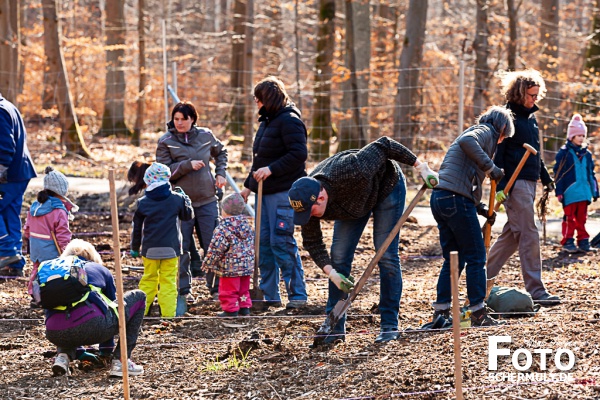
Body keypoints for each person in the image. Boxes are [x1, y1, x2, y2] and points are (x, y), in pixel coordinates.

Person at [288, 136, 439, 344]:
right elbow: (313, 242)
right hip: (353, 206)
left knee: (386, 255)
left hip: (387, 188)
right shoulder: (307, 201)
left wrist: (421, 168)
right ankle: (334, 327)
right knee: (339, 258)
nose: (308, 217)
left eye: (310, 211)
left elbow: (384, 144)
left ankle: (389, 325)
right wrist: (332, 274)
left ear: (321, 197)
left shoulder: (351, 169)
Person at [430, 106, 514, 328]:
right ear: (503, 127)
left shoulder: (482, 133)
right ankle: (477, 313)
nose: (502, 141)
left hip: (441, 198)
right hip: (456, 200)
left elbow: (465, 176)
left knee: (453, 259)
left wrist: (481, 207)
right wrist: (491, 167)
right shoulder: (485, 131)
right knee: (477, 256)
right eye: (504, 136)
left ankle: (441, 313)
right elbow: (467, 142)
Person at [486, 69, 560, 306]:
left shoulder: (531, 118)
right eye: (531, 95)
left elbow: (535, 155)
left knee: (512, 235)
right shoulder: (507, 118)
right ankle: (537, 290)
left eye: (537, 94)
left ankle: (480, 279)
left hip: (529, 181)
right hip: (513, 184)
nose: (534, 99)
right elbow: (499, 153)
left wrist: (546, 178)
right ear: (519, 94)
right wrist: (501, 184)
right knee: (529, 234)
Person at [240, 76, 308, 310]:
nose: (256, 104)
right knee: (264, 245)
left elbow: (298, 154)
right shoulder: (267, 121)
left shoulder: (290, 121)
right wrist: (248, 185)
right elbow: (261, 158)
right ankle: (270, 295)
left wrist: (272, 169)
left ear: (267, 99)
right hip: (263, 192)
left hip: (283, 192)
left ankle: (297, 295)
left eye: (258, 100)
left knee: (281, 243)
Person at [156, 101, 228, 301]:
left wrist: (220, 174)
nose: (179, 123)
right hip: (180, 203)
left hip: (207, 200)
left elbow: (221, 153)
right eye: (176, 119)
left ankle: (216, 290)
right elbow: (164, 172)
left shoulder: (206, 136)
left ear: (192, 119)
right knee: (182, 247)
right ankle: (182, 291)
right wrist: (187, 165)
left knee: (214, 245)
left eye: (183, 119)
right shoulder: (166, 141)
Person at [44, 239, 146, 378]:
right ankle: (121, 361)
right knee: (139, 296)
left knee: (65, 311)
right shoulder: (99, 269)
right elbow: (111, 307)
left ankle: (63, 357)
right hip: (93, 325)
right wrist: (106, 350)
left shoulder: (57, 275)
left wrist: (79, 352)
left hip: (54, 333)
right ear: (92, 256)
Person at [130, 162, 194, 319]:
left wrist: (135, 247)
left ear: (148, 181)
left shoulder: (143, 202)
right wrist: (186, 200)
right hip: (171, 249)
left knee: (148, 279)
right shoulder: (177, 199)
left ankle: (141, 313)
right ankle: (167, 315)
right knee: (168, 281)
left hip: (149, 249)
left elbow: (137, 228)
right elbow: (188, 216)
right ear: (167, 179)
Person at [23, 167, 78, 303]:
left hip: (36, 247)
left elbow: (27, 228)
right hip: (51, 249)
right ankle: (48, 296)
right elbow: (63, 233)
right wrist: (66, 250)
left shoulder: (35, 207)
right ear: (61, 190)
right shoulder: (59, 211)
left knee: (36, 270)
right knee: (52, 272)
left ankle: (34, 295)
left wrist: (28, 239)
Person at [0, 93, 37, 276]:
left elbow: (5, 148)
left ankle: (6, 251)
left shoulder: (0, 111)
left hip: (8, 175)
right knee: (8, 212)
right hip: (18, 173)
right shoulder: (8, 106)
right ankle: (14, 263)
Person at [203, 193, 254, 317]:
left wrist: (208, 262)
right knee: (243, 289)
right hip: (246, 266)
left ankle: (231, 310)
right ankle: (244, 307)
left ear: (224, 211)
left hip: (229, 267)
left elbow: (216, 248)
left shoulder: (223, 228)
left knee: (228, 289)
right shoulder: (246, 225)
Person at [554, 114, 599, 253]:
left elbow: (591, 173)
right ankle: (568, 241)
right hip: (570, 192)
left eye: (582, 135)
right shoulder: (564, 153)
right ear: (571, 136)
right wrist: (559, 192)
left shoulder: (587, 154)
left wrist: (594, 190)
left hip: (584, 192)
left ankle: (583, 241)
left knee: (582, 218)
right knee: (569, 219)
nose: (580, 138)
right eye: (578, 135)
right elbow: (558, 174)